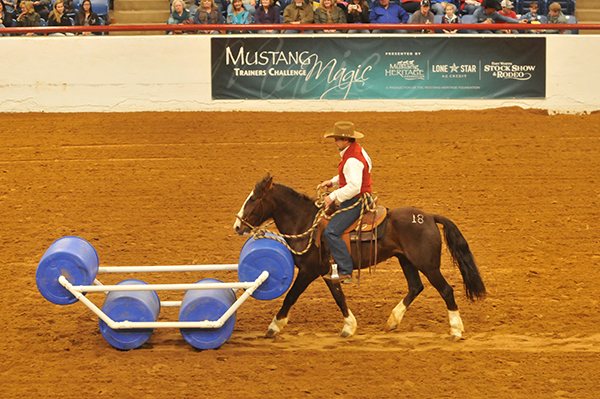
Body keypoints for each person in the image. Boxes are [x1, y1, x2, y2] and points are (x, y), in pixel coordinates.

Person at [321, 121, 373, 284]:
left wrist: (333, 196)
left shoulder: (351, 160)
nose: (334, 141)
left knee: (331, 231)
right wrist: (333, 182)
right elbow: (352, 176)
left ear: (346, 139)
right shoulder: (358, 151)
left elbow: (354, 187)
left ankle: (345, 271)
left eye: (337, 138)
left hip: (356, 200)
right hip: (360, 195)